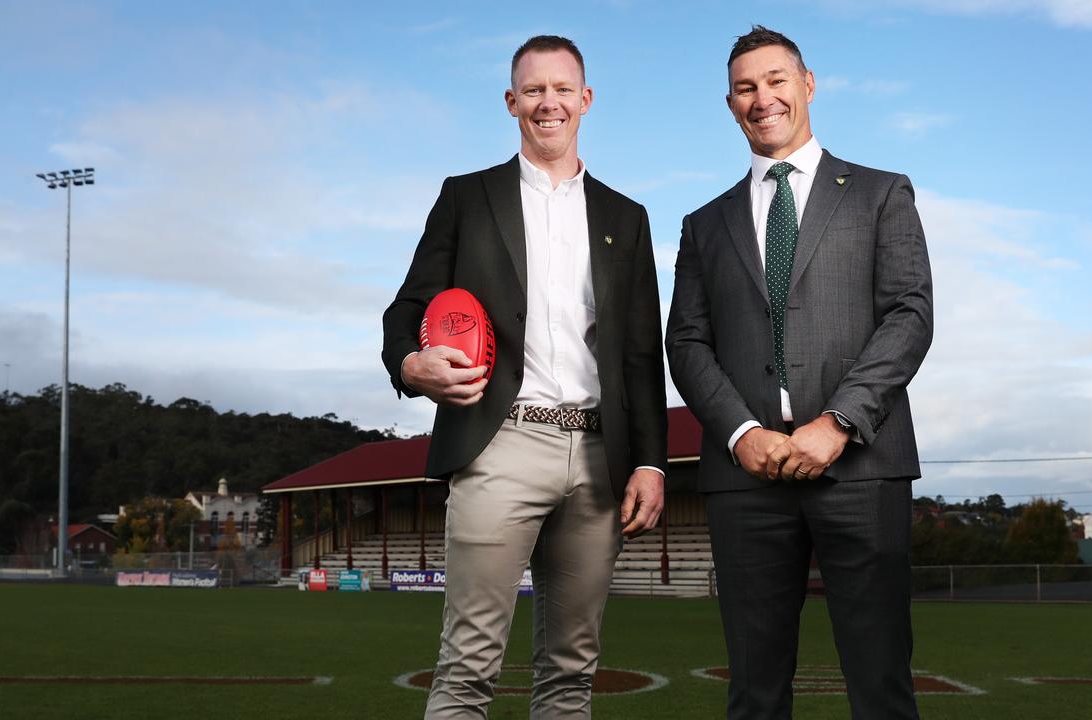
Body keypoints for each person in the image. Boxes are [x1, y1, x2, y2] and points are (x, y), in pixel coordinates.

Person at [382, 35, 668, 720]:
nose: (549, 102)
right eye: (534, 90)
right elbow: (407, 309)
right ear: (512, 102)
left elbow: (639, 354)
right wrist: (411, 364)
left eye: (563, 89)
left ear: (586, 100)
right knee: (467, 669)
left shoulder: (626, 219)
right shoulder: (465, 197)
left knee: (571, 674)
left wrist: (652, 461)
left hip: (599, 457)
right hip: (499, 443)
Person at [665, 25, 933, 720]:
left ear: (807, 84)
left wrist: (839, 421)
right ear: (730, 105)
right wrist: (741, 431)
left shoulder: (879, 193)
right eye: (746, 88)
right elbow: (687, 342)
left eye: (776, 80)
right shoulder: (703, 224)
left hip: (861, 468)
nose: (764, 98)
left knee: (880, 685)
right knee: (754, 691)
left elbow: (908, 315)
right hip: (744, 476)